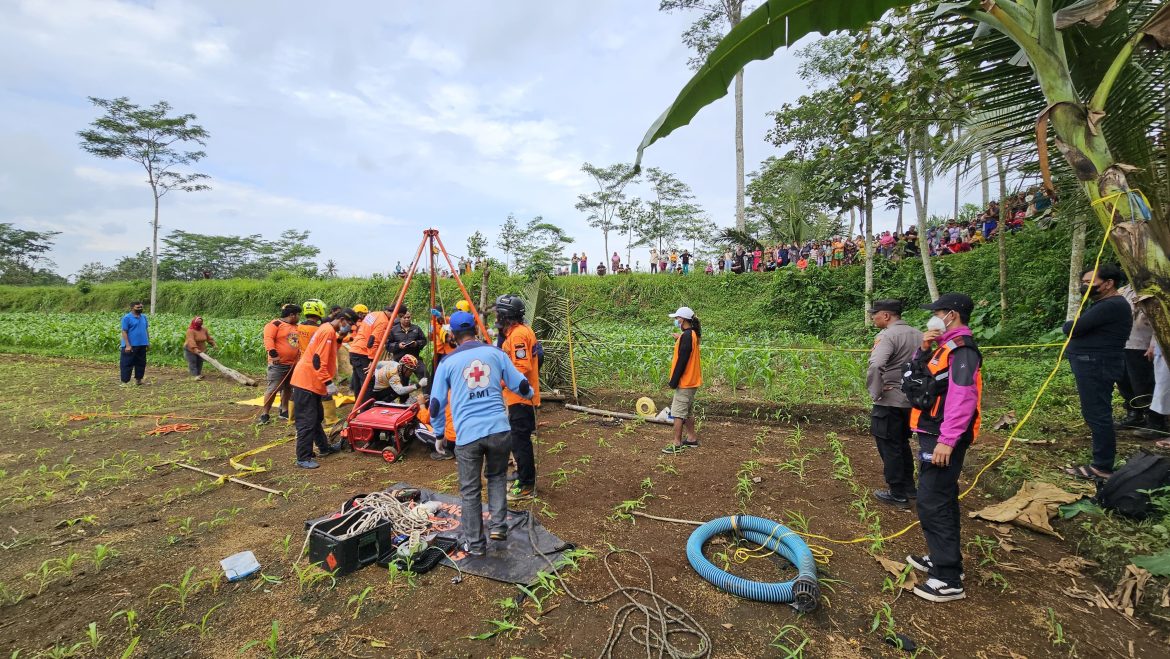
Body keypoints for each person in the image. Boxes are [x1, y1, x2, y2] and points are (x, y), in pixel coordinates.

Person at [430, 311, 533, 555]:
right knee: (497, 477)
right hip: (499, 429)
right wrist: (528, 395)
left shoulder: (447, 362)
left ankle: (475, 544)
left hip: (468, 436)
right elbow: (520, 384)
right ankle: (498, 526)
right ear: (476, 328)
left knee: (470, 490)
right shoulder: (496, 354)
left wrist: (438, 433)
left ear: (453, 335)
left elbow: (435, 403)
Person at [905, 292, 982, 603]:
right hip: (931, 430)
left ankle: (948, 578)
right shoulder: (943, 348)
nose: (933, 316)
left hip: (943, 437)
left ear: (952, 314)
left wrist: (947, 441)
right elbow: (917, 375)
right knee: (941, 498)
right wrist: (923, 348)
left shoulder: (963, 351)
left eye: (937, 312)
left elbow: (963, 398)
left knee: (932, 501)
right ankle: (944, 560)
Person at [1063, 264, 1132, 480]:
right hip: (1094, 362)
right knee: (1095, 412)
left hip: (1097, 364)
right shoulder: (1104, 304)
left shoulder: (1111, 305)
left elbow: (1072, 328)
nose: (1085, 286)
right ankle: (1101, 463)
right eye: (1083, 282)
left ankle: (1101, 467)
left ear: (1109, 284)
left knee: (1097, 414)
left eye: (1089, 282)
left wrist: (1071, 327)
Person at [866, 300, 923, 508]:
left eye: (875, 314)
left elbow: (876, 364)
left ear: (887, 316)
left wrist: (876, 392)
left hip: (890, 401)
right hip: (911, 400)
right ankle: (909, 487)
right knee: (901, 443)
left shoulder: (887, 336)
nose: (873, 317)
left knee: (889, 446)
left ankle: (897, 493)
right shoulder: (919, 334)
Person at [289, 308, 358, 469]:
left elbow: (330, 349)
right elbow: (317, 360)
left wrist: (341, 337)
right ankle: (303, 457)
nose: (349, 328)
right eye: (349, 324)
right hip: (306, 381)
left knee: (316, 417)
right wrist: (328, 383)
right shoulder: (327, 332)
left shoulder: (328, 330)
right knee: (307, 420)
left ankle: (324, 448)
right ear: (342, 320)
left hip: (312, 383)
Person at [493, 294, 541, 502]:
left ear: (505, 315)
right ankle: (522, 474)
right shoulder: (514, 333)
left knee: (520, 442)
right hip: (515, 398)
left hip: (520, 398)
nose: (496, 317)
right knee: (517, 441)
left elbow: (521, 368)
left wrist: (499, 382)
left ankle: (527, 485)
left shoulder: (518, 336)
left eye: (498, 313)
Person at [1117, 284, 1164, 437]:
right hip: (1123, 343)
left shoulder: (1155, 288)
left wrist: (1153, 344)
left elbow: (1161, 321)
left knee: (1144, 384)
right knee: (1124, 381)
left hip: (1142, 345)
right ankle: (1134, 414)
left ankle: (1156, 421)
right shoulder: (1124, 290)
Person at [662, 307, 702, 454]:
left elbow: (682, 360)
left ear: (683, 320)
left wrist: (673, 381)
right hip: (692, 381)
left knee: (677, 413)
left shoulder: (687, 336)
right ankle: (691, 438)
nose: (676, 320)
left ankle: (676, 443)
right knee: (688, 411)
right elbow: (687, 347)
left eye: (677, 318)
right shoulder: (691, 334)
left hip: (685, 381)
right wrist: (680, 338)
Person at [259, 304, 301, 424]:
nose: (299, 317)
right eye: (298, 314)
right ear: (292, 315)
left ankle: (284, 410)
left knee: (288, 388)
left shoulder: (296, 327)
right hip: (278, 363)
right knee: (273, 388)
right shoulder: (275, 324)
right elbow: (268, 339)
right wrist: (273, 354)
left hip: (293, 364)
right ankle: (265, 414)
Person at [349, 304, 394, 399]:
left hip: (355, 349)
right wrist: (372, 360)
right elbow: (372, 341)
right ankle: (365, 409)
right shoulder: (383, 321)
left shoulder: (374, 314)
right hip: (363, 352)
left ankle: (358, 407)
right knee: (368, 382)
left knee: (358, 381)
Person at [119, 301, 149, 386]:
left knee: (141, 363)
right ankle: (125, 382)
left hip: (142, 344)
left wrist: (147, 342)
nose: (140, 309)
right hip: (131, 345)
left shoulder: (144, 317)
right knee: (127, 363)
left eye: (141, 307)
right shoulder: (127, 318)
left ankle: (138, 380)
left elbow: (146, 330)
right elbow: (124, 331)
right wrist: (127, 345)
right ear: (132, 308)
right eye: (138, 307)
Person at [183, 316, 216, 381]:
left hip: (201, 348)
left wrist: (213, 344)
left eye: (201, 322)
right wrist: (195, 348)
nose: (200, 323)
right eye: (198, 322)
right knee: (193, 361)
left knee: (200, 361)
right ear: (194, 322)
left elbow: (208, 338)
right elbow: (190, 340)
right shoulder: (190, 330)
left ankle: (198, 374)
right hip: (190, 348)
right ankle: (194, 376)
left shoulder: (204, 329)